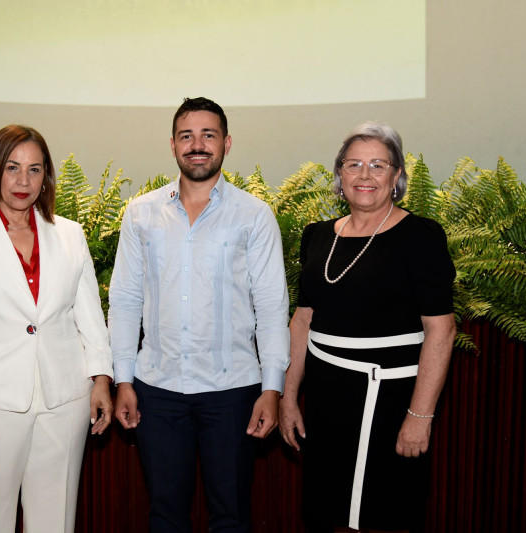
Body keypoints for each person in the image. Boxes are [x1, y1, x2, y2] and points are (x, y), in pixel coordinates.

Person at [109, 97, 290, 532]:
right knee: (165, 516)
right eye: (187, 136)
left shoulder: (254, 216)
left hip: (233, 391)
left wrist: (273, 388)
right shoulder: (140, 215)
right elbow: (126, 300)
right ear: (173, 145)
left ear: (226, 143)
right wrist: (123, 379)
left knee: (230, 517)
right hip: (158, 388)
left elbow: (271, 306)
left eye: (208, 135)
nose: (197, 145)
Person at [0, 125, 114, 533]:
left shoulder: (70, 235)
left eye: (34, 169)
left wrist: (101, 379)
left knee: (56, 523)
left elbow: (89, 317)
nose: (23, 181)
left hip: (64, 400)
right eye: (12, 168)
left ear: (46, 176)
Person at [278, 122, 457, 532]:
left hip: (390, 401)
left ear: (396, 177)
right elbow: (302, 320)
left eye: (378, 165)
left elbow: (441, 332)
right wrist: (289, 397)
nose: (364, 175)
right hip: (326, 401)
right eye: (353, 164)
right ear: (339, 175)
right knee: (327, 513)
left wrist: (419, 416)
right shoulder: (318, 236)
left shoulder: (421, 237)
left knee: (384, 515)